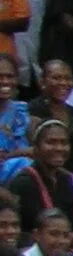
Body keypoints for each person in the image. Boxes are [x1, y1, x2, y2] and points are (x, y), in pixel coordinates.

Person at [10, 119, 73, 237]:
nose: (59, 148)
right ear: (36, 148)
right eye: (51, 142)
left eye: (64, 143)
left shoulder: (66, 180)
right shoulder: (23, 183)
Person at [0, 51, 32, 179]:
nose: (5, 81)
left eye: (10, 76)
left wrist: (11, 155)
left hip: (15, 172)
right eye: (0, 76)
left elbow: (34, 150)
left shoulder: (20, 112)